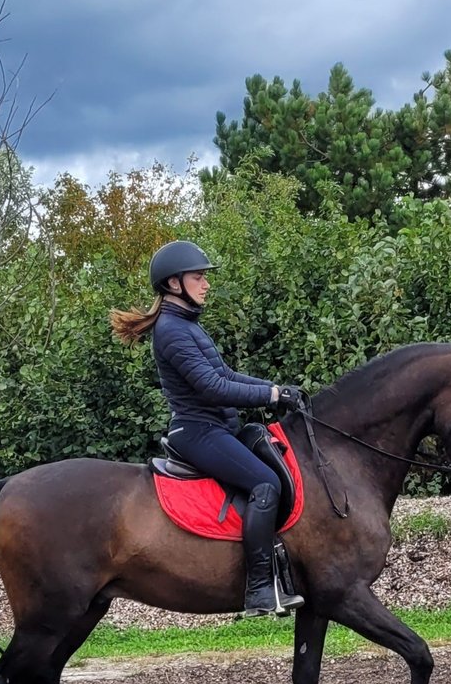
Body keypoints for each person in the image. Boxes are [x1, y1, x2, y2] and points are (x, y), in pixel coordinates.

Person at [110, 240, 306, 618]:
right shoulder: (172, 331)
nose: (206, 284)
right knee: (265, 484)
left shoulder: (187, 326)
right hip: (198, 432)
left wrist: (277, 390)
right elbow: (212, 388)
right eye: (199, 277)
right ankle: (260, 589)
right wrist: (272, 394)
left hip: (219, 428)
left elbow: (227, 375)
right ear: (173, 284)